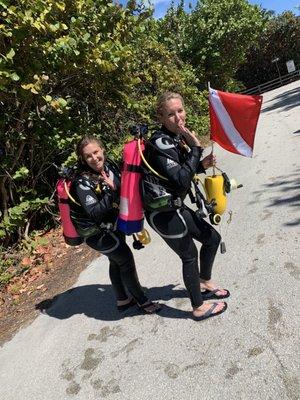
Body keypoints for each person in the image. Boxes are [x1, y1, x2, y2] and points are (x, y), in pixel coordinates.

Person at [142, 92, 229, 321]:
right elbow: (180, 179)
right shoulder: (160, 142)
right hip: (163, 212)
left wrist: (200, 165)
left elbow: (179, 173)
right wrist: (196, 149)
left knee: (211, 239)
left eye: (180, 110)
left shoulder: (175, 137)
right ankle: (198, 307)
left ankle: (204, 280)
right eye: (170, 114)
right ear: (160, 116)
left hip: (176, 206)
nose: (178, 117)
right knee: (189, 255)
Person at [69, 135, 161, 314]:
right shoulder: (82, 182)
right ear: (83, 159)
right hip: (96, 234)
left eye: (96, 152)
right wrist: (111, 192)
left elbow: (124, 186)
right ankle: (142, 300)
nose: (94, 158)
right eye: (88, 156)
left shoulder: (109, 166)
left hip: (111, 226)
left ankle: (123, 300)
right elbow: (94, 212)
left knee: (116, 260)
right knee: (125, 259)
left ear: (102, 149)